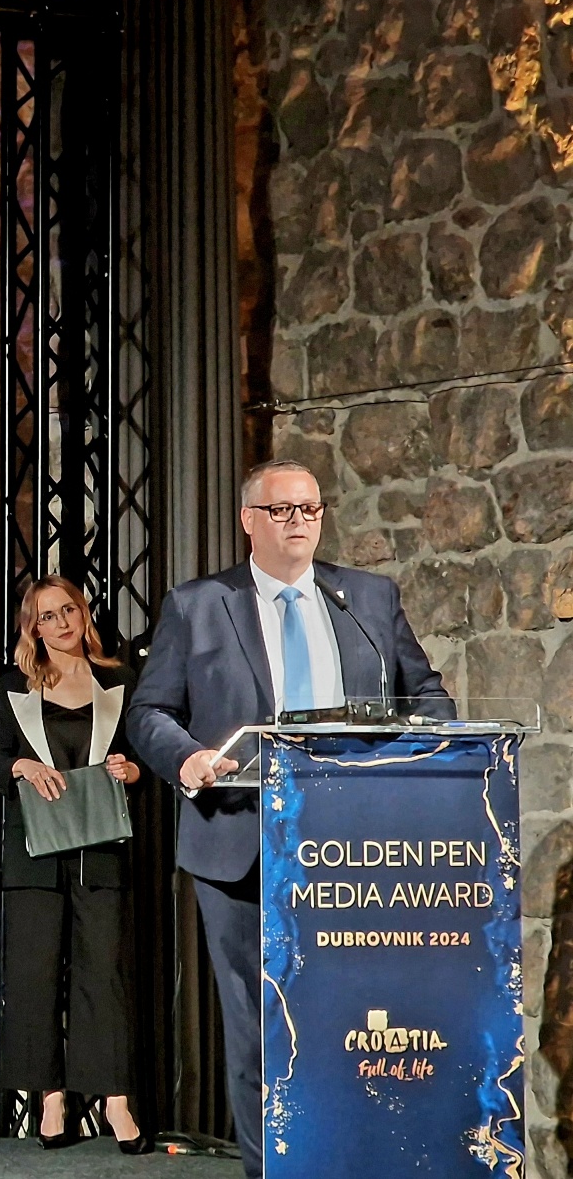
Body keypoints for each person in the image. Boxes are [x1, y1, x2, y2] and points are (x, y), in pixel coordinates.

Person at [125, 459, 450, 1177]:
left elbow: (427, 694)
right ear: (249, 520)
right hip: (239, 841)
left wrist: (428, 749)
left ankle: (356, 1158)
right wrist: (189, 758)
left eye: (310, 508)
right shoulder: (198, 605)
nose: (299, 521)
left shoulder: (367, 599)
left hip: (356, 844)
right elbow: (149, 712)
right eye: (281, 510)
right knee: (260, 1025)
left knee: (355, 1018)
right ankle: (271, 1168)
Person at [0, 575, 148, 1153]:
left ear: (83, 614)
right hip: (34, 851)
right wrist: (22, 768)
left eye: (68, 610)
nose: (60, 623)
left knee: (103, 973)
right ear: (33, 629)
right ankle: (50, 1100)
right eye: (46, 616)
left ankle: (115, 1102)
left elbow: (141, 760)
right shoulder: (15, 686)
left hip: (99, 848)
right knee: (34, 975)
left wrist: (131, 771)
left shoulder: (119, 681)